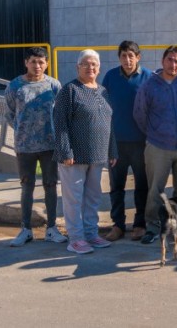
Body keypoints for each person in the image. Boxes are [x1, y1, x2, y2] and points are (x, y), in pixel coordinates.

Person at [53, 49, 118, 254]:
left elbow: (109, 123)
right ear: (77, 67)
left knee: (93, 197)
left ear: (99, 68)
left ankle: (91, 234)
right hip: (74, 156)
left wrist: (112, 150)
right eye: (86, 64)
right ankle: (76, 238)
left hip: (97, 155)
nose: (90, 67)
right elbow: (60, 123)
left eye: (94, 64)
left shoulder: (103, 91)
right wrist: (65, 151)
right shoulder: (69, 90)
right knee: (74, 198)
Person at [134, 46, 177, 245]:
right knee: (156, 189)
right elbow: (140, 114)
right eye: (170, 60)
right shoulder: (149, 85)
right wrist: (156, 133)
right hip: (158, 146)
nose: (173, 64)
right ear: (162, 61)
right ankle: (153, 227)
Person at [4, 47, 67, 247]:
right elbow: (10, 114)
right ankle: (25, 229)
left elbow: (61, 113)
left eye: (41, 62)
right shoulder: (15, 86)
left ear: (47, 63)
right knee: (26, 186)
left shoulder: (54, 86)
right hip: (24, 147)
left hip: (49, 146)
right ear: (26, 63)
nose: (37, 66)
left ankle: (51, 228)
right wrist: (25, 132)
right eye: (33, 62)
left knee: (50, 185)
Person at [101, 41, 153, 241]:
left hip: (142, 142)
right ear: (119, 57)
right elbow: (102, 108)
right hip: (116, 143)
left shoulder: (148, 78)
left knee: (142, 184)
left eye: (131, 55)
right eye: (123, 56)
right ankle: (118, 225)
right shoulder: (111, 77)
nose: (127, 59)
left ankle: (140, 224)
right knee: (116, 186)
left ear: (138, 57)